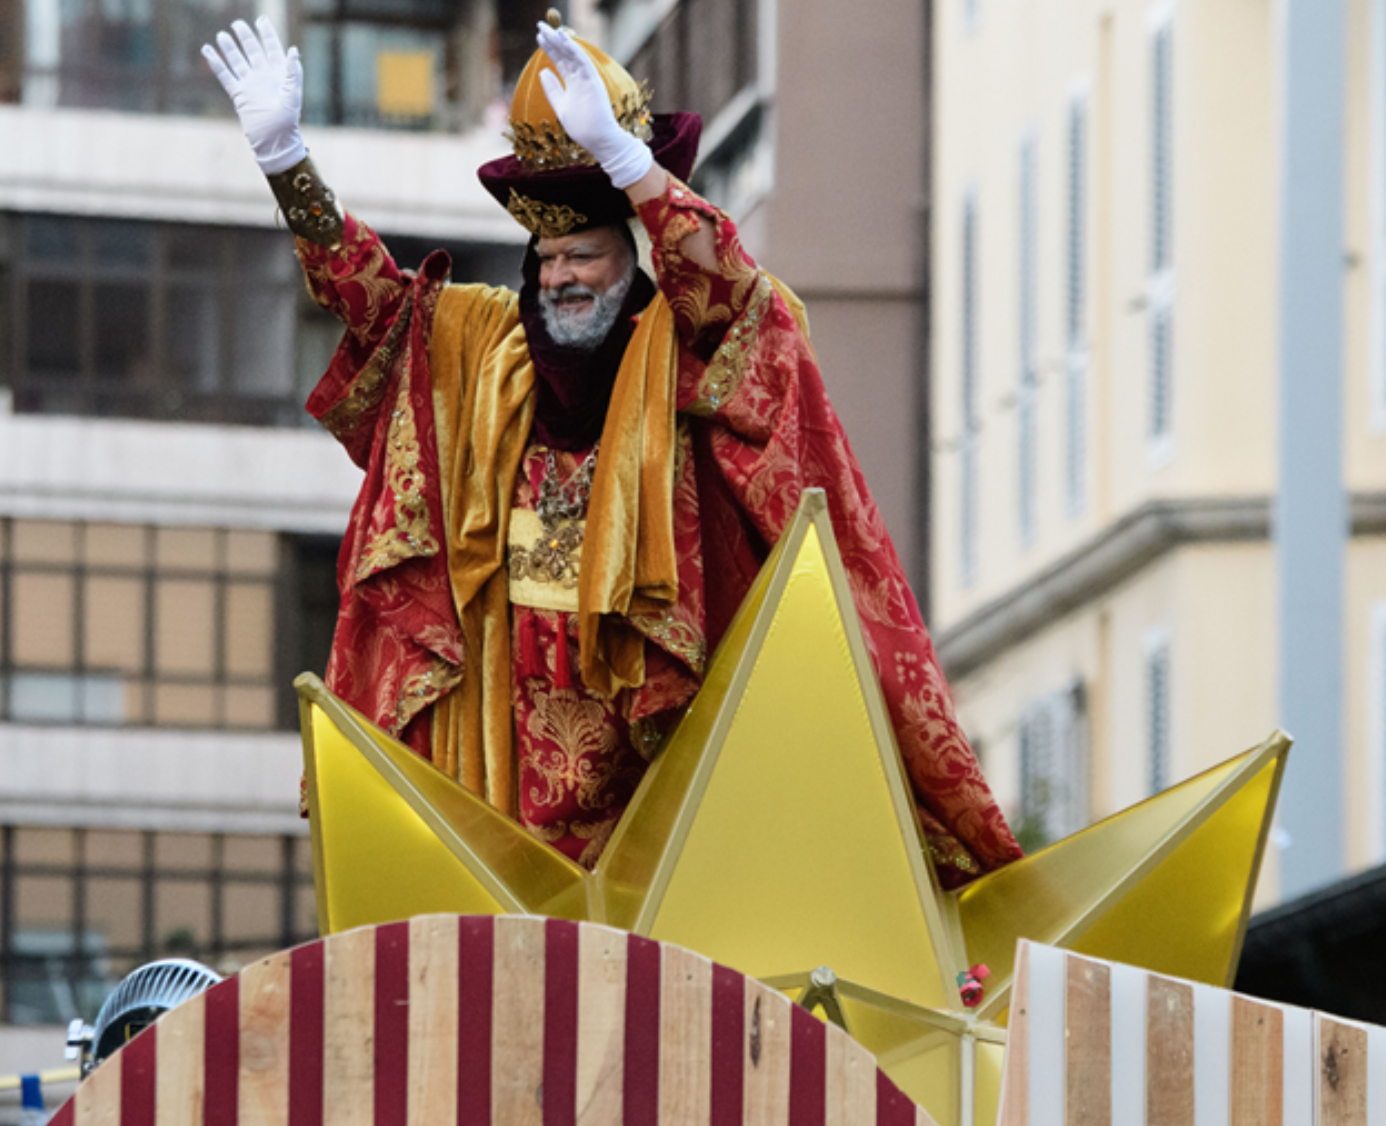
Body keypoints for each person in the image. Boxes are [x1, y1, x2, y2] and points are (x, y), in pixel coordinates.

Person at [206, 15, 1021, 884]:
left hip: (654, 738)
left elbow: (738, 298)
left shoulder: (689, 342)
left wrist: (633, 168)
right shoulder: (480, 345)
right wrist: (287, 162)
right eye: (548, 257)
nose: (561, 276)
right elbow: (375, 304)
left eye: (585, 254)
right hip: (502, 747)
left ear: (630, 257)